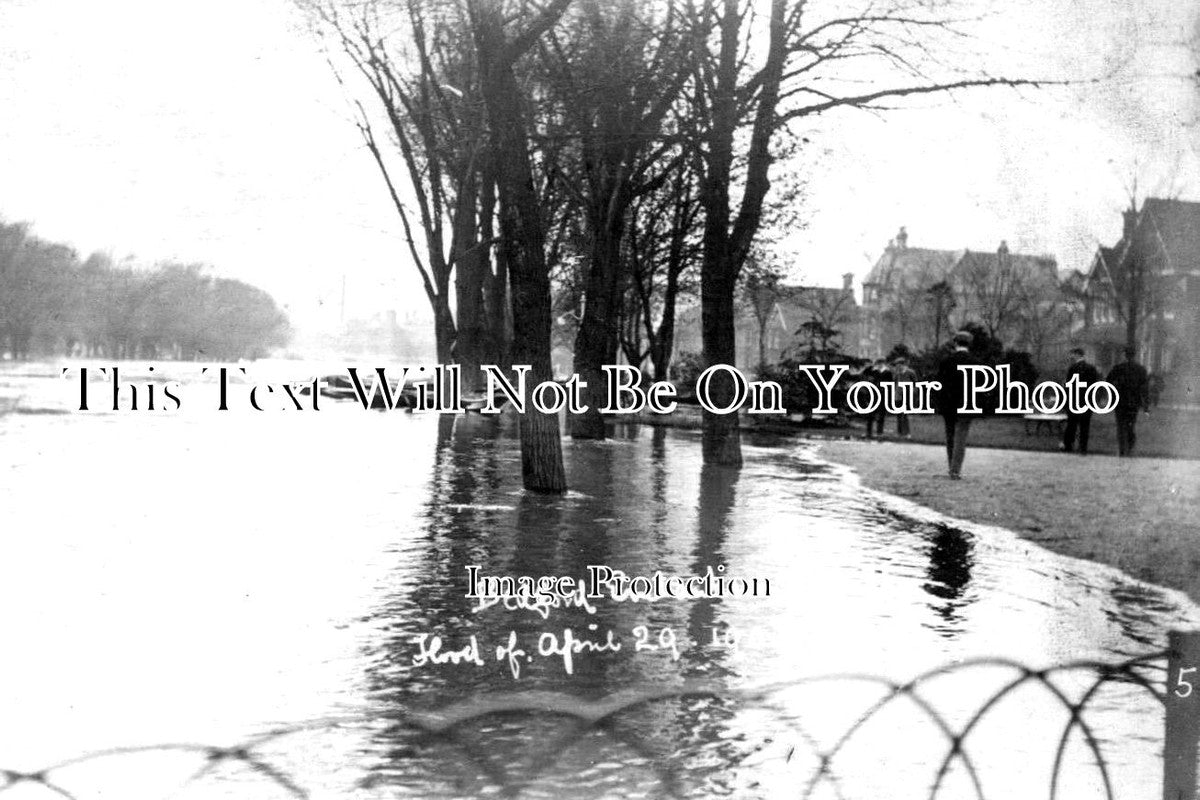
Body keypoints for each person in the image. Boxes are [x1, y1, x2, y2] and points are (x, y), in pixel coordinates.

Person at [935, 331, 981, 479]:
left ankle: (951, 467)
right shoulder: (975, 362)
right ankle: (955, 470)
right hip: (967, 404)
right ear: (969, 344)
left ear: (955, 343)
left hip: (949, 404)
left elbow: (939, 385)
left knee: (950, 436)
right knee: (961, 437)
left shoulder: (946, 361)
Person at [1106, 346, 1150, 457]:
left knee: (1120, 426)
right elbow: (1144, 388)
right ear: (1134, 355)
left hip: (1120, 401)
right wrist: (1145, 405)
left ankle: (1122, 448)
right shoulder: (1141, 369)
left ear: (1125, 355)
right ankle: (1130, 446)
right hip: (1134, 402)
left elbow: (1108, 381)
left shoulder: (1118, 368)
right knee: (1131, 425)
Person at [1062, 347, 1100, 455]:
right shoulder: (1091, 368)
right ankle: (1083, 448)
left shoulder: (1073, 368)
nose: (1071, 357)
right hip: (1087, 400)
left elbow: (1069, 386)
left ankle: (1069, 446)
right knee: (1085, 426)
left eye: (1072, 355)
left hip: (1074, 400)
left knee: (1072, 425)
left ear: (1077, 355)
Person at [862, 358, 892, 439]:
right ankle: (869, 432)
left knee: (881, 415)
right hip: (874, 395)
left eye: (880, 364)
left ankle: (879, 433)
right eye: (878, 364)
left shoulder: (888, 373)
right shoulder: (874, 372)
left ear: (883, 364)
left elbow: (890, 385)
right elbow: (865, 373)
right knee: (870, 415)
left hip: (882, 396)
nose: (879, 365)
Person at [891, 356, 917, 438]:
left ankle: (906, 433)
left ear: (903, 364)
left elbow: (915, 384)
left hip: (907, 395)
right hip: (898, 396)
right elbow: (894, 383)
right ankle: (899, 432)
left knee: (905, 415)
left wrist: (913, 391)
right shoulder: (897, 374)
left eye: (898, 365)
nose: (897, 367)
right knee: (899, 415)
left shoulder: (910, 372)